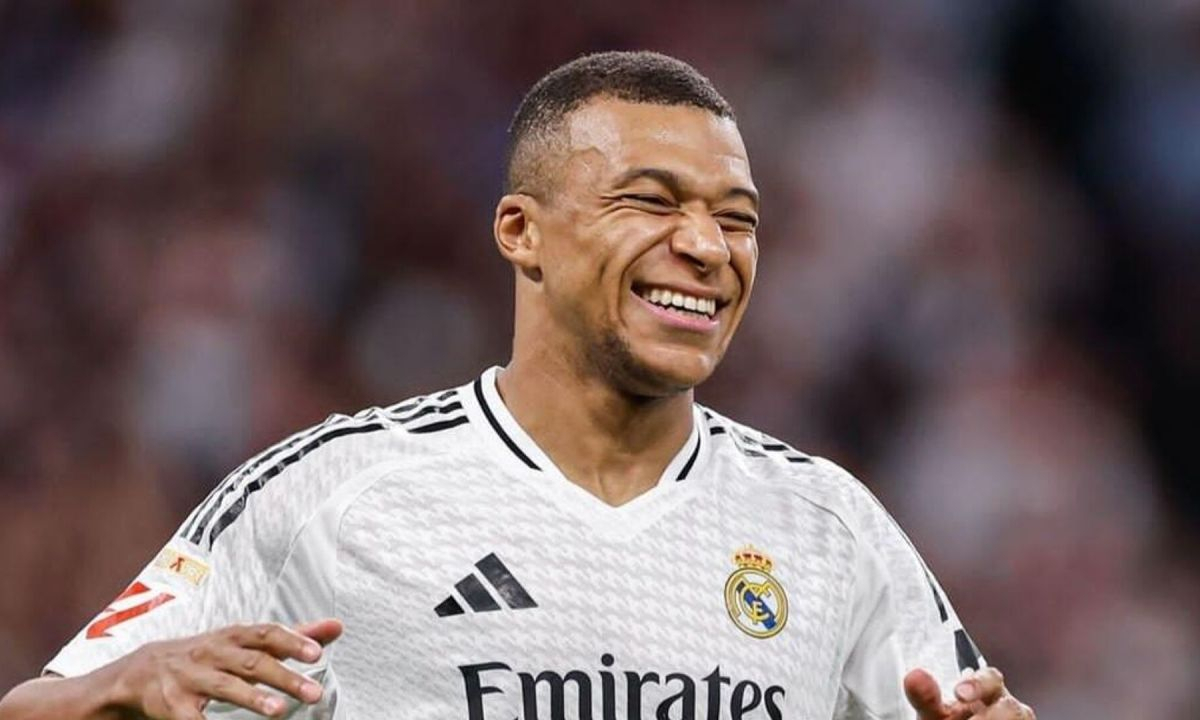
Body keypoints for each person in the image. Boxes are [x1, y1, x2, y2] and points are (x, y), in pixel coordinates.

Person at [0, 51, 1035, 720]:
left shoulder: (826, 525)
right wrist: (120, 686)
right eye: (652, 202)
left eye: (737, 218)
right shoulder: (336, 493)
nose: (707, 247)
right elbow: (40, 705)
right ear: (521, 232)